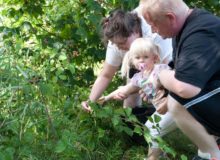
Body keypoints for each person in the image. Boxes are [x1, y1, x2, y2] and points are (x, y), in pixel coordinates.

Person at [80, 9, 176, 160]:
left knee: (156, 124)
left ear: (135, 32)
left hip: (172, 76)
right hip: (145, 72)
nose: (118, 47)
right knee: (130, 111)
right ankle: (152, 147)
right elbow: (106, 75)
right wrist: (93, 101)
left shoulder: (155, 34)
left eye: (122, 43)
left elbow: (169, 74)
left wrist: (156, 90)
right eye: (115, 44)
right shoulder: (118, 44)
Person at [140, 0, 220, 159]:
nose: (152, 31)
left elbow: (185, 87)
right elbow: (182, 72)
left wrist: (159, 75)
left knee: (177, 101)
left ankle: (214, 154)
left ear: (170, 18)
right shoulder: (184, 29)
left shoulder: (201, 32)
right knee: (174, 97)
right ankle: (210, 150)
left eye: (154, 25)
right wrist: (165, 93)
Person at [99, 37, 170, 114]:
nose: (141, 60)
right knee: (149, 126)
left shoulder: (160, 69)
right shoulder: (139, 78)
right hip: (160, 110)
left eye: (145, 57)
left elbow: (174, 82)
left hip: (172, 104)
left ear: (154, 58)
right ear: (132, 61)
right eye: (137, 57)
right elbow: (124, 90)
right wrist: (106, 98)